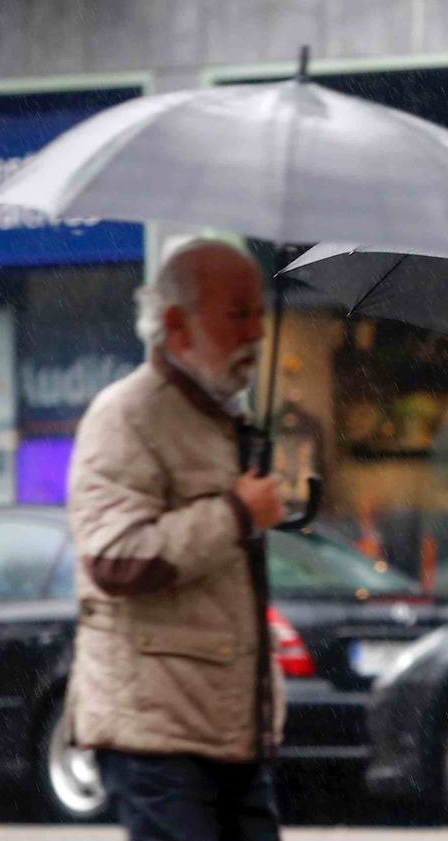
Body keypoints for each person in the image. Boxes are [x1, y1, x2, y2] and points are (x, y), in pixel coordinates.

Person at [65, 239, 289, 841]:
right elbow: (116, 558)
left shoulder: (228, 418)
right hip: (157, 734)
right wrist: (237, 513)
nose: (258, 332)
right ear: (176, 325)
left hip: (229, 728)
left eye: (259, 312)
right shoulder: (126, 415)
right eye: (238, 314)